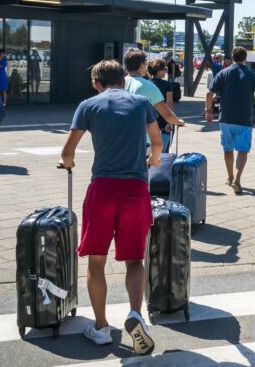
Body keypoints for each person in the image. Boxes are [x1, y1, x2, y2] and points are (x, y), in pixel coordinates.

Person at [59, 59, 159, 355]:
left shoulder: (88, 105)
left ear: (95, 83)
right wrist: (152, 159)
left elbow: (68, 150)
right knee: (134, 260)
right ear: (123, 79)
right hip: (136, 190)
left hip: (102, 189)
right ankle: (135, 314)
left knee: (96, 261)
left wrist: (68, 163)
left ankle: (101, 327)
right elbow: (156, 143)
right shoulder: (141, 103)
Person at [204, 47, 255, 195]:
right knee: (242, 150)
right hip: (244, 119)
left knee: (227, 149)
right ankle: (237, 179)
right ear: (245, 58)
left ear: (232, 57)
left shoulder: (223, 73)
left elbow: (209, 93)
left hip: (226, 118)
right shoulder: (251, 75)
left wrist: (208, 111)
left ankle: (229, 177)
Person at [123, 50, 185, 151]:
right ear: (142, 64)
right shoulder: (147, 86)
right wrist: (178, 122)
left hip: (122, 139)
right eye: (145, 61)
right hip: (142, 141)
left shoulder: (119, 83)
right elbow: (167, 114)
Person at [147, 59, 175, 153]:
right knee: (163, 151)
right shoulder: (167, 84)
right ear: (158, 71)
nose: (165, 71)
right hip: (163, 120)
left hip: (149, 119)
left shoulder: (146, 83)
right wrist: (169, 122)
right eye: (164, 69)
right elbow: (169, 104)